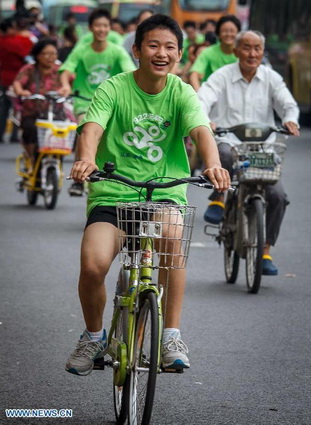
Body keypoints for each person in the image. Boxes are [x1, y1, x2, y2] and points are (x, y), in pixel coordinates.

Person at [65, 13, 230, 376]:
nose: (161, 53)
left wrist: (213, 164)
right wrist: (87, 158)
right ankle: (93, 335)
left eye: (170, 47)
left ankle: (171, 335)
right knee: (93, 266)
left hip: (164, 195)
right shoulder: (113, 88)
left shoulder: (181, 91)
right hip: (113, 192)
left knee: (173, 238)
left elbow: (201, 131)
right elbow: (91, 129)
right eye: (153, 45)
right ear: (137, 50)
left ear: (180, 55)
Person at [198, 30, 300, 275]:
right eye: (246, 48)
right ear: (236, 51)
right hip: (229, 142)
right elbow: (203, 98)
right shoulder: (222, 76)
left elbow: (288, 104)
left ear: (262, 53)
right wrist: (205, 119)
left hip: (262, 150)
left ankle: (265, 250)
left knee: (277, 195)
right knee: (220, 154)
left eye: (257, 49)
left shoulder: (271, 78)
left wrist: (290, 119)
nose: (252, 54)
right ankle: (218, 198)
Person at [59, 8, 136, 196]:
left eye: (105, 26)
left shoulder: (117, 51)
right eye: (98, 25)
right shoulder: (82, 51)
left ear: (110, 28)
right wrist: (65, 85)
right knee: (85, 129)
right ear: (91, 28)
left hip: (112, 104)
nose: (102, 29)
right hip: (85, 102)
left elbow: (131, 72)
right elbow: (66, 70)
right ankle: (79, 177)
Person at [12, 39, 67, 164]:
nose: (50, 57)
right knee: (29, 130)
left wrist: (66, 89)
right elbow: (17, 83)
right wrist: (21, 91)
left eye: (53, 54)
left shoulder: (61, 70)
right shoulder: (29, 69)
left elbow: (69, 82)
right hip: (33, 112)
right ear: (37, 55)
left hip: (55, 112)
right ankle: (30, 158)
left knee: (64, 133)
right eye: (46, 54)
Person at [0, 17, 33, 143]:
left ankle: (1, 133)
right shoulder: (16, 41)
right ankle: (14, 135)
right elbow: (27, 53)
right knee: (18, 107)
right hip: (18, 79)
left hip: (3, 77)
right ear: (8, 29)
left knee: (4, 108)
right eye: (13, 27)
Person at [189, 15, 241, 91]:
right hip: (211, 92)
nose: (228, 34)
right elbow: (194, 75)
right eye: (225, 31)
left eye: (232, 31)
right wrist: (200, 95)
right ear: (218, 34)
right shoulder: (208, 52)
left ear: (238, 33)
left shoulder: (242, 53)